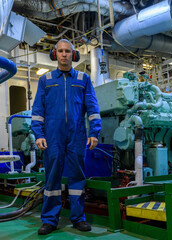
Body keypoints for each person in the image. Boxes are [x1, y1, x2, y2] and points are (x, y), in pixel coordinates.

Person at [31, 39, 101, 235]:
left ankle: (78, 218)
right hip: (52, 137)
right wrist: (38, 134)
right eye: (60, 51)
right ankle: (49, 220)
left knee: (77, 177)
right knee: (52, 178)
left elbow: (92, 108)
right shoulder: (45, 80)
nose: (64, 54)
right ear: (55, 54)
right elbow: (38, 110)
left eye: (67, 51)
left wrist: (94, 132)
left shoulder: (83, 79)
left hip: (77, 136)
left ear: (74, 55)